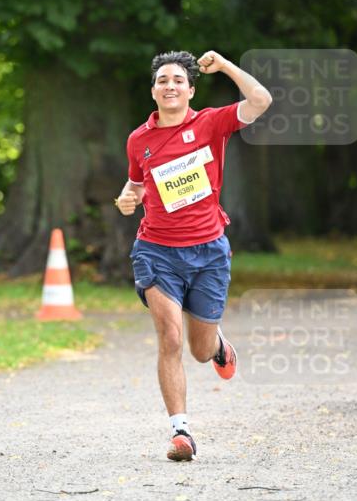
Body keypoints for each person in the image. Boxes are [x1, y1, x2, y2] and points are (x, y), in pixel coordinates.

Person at [115, 50, 272, 462]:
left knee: (199, 351)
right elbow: (136, 187)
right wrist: (127, 200)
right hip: (156, 251)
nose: (170, 86)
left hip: (208, 251)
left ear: (190, 89)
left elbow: (261, 101)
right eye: (163, 80)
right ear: (153, 91)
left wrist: (225, 67)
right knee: (170, 337)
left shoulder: (211, 123)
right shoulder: (139, 140)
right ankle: (180, 431)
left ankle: (217, 344)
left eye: (178, 80)